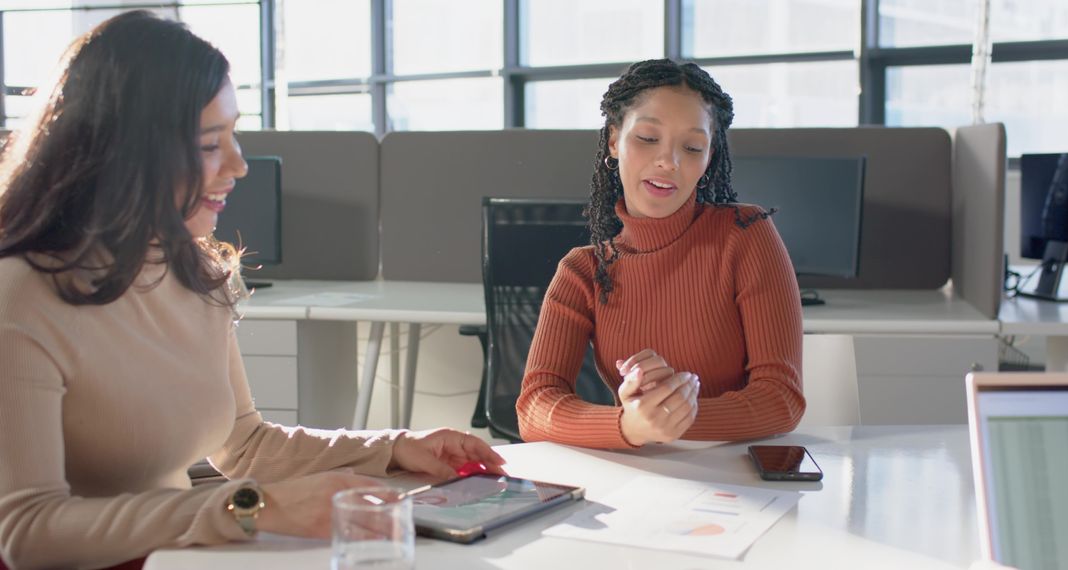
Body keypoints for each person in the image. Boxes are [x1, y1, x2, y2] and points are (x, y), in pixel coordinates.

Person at [0, 11, 503, 570]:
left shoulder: (195, 272)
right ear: (123, 154)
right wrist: (250, 508)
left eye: (233, 134)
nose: (239, 164)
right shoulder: (21, 296)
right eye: (211, 144)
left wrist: (394, 447)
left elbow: (244, 445)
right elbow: (26, 532)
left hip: (175, 559)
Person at [516, 59, 805, 448]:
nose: (669, 161)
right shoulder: (583, 270)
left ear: (708, 158)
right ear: (615, 140)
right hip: (640, 479)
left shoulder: (745, 235)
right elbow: (534, 406)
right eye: (648, 138)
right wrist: (630, 425)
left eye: (691, 147)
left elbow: (781, 399)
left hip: (737, 479)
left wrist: (667, 417)